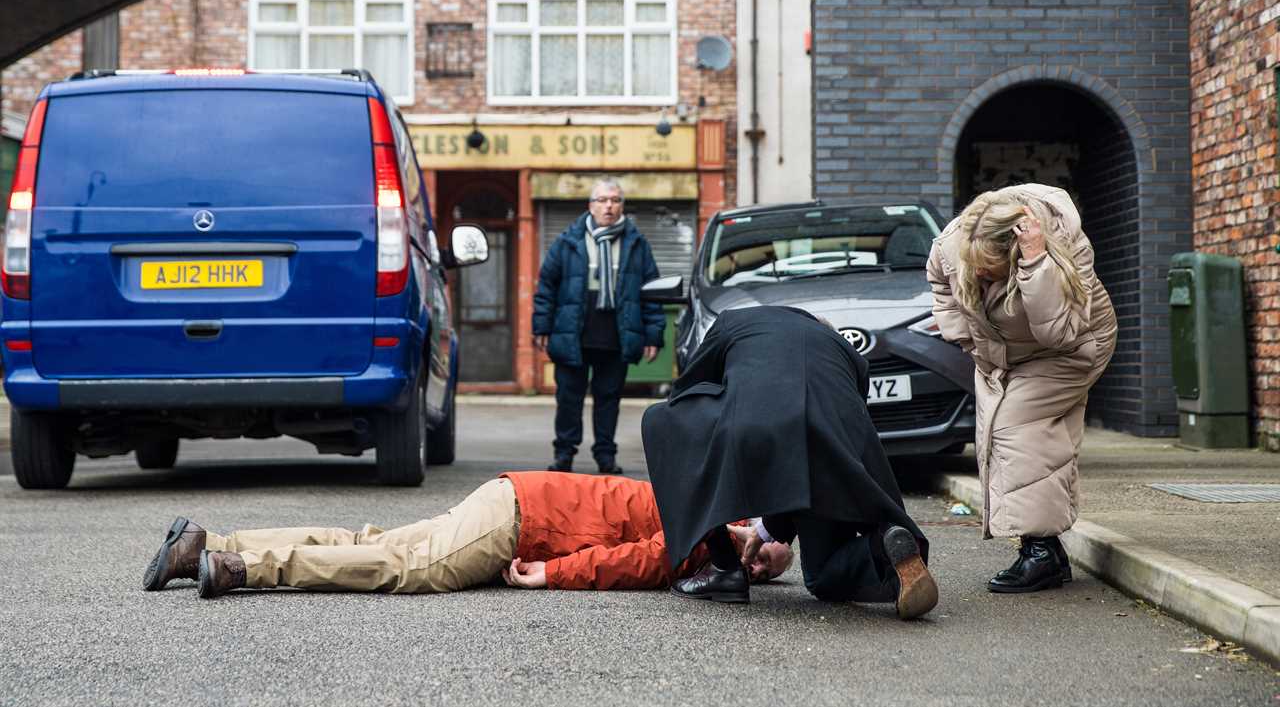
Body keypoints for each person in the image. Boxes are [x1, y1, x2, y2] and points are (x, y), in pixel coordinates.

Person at [641, 305, 939, 618]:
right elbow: (811, 445)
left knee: (663, 419)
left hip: (764, 431)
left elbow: (687, 393)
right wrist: (768, 529)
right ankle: (881, 550)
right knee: (820, 575)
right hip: (838, 457)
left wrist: (728, 502)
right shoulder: (850, 356)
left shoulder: (733, 321)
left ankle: (723, 568)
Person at [142, 471, 794, 599]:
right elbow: (640, 560)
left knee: (376, 539)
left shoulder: (695, 497)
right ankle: (241, 569)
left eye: (767, 571)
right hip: (520, 521)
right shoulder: (704, 529)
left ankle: (210, 541)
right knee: (407, 570)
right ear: (750, 526)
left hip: (514, 497)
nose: (757, 566)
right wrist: (551, 573)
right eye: (766, 552)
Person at [927, 183, 1116, 594]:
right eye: (972, 265)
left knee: (1016, 430)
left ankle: (1040, 553)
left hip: (1073, 348)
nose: (977, 274)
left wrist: (1035, 267)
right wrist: (965, 336)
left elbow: (1063, 333)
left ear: (1015, 250)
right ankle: (1048, 552)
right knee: (1015, 438)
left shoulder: (1066, 246)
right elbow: (940, 280)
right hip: (999, 352)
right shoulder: (954, 242)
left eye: (988, 269)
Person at [533, 176, 664, 474]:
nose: (609, 206)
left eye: (615, 200)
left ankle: (606, 456)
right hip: (573, 334)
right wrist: (541, 327)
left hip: (616, 335)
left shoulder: (637, 244)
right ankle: (564, 454)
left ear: (622, 207)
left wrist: (653, 333)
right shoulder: (568, 241)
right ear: (591, 206)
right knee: (568, 399)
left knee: (608, 400)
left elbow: (652, 291)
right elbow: (546, 287)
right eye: (603, 200)